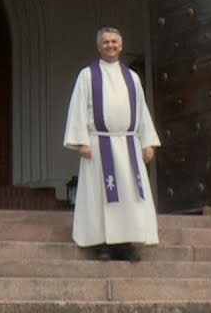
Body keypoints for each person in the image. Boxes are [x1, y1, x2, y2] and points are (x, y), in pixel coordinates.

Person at [63, 27, 160, 261]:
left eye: (114, 42)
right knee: (101, 198)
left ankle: (126, 245)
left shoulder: (132, 77)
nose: (110, 45)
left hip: (128, 146)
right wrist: (81, 141)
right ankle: (103, 245)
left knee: (129, 196)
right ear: (98, 47)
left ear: (121, 45)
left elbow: (141, 111)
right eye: (105, 42)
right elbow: (78, 108)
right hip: (98, 146)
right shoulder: (87, 75)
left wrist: (148, 142)